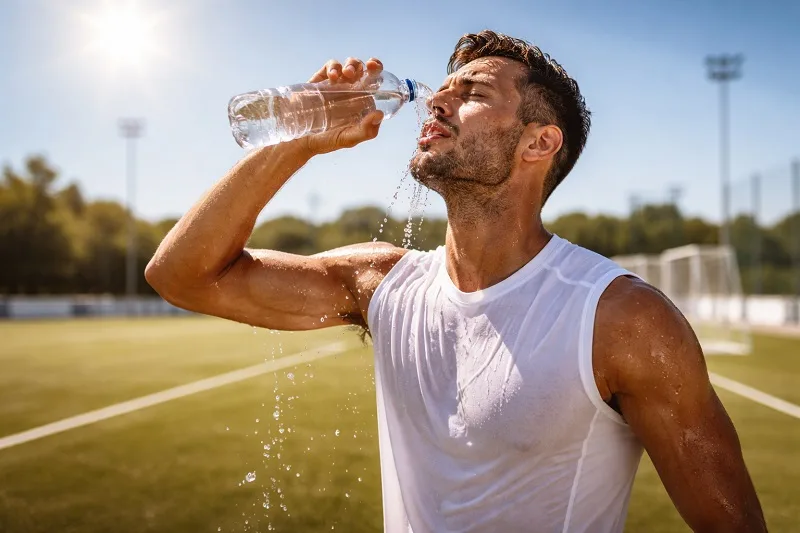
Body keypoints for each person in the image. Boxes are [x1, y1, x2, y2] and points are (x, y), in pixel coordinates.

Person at [146, 30, 766, 533]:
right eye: (439, 89)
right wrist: (297, 141)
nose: (434, 103)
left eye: (470, 92)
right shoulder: (381, 281)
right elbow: (182, 275)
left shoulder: (622, 319)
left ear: (539, 142)